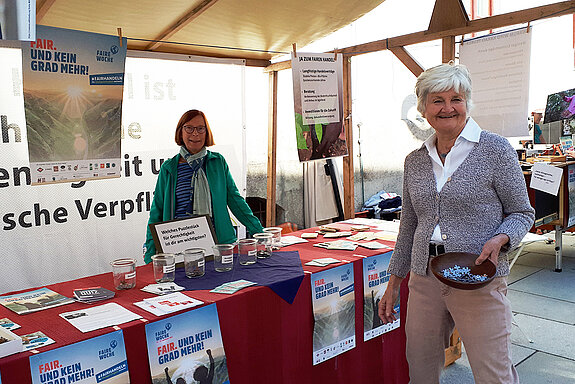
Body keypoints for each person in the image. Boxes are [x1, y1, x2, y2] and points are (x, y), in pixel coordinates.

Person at [378, 63, 534, 384]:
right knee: (420, 371)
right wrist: (394, 284)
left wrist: (502, 238)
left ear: (468, 103)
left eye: (456, 99)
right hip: (425, 278)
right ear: (423, 108)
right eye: (437, 100)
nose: (447, 108)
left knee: (493, 375)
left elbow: (522, 212)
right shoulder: (415, 160)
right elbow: (409, 226)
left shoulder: (496, 150)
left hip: (479, 276)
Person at [144, 109, 263, 263]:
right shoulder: (168, 168)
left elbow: (235, 201)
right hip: (179, 247)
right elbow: (157, 212)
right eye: (189, 128)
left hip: (218, 245)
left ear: (207, 133)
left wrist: (258, 232)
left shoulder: (217, 162)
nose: (195, 134)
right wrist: (150, 253)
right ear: (180, 132)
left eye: (201, 128)